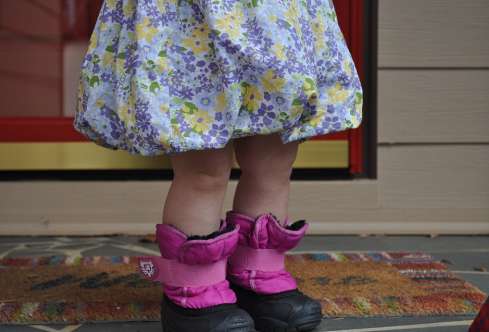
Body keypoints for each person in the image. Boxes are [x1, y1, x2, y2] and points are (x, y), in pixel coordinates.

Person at [74, 0, 363, 331]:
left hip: (271, 17)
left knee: (273, 159)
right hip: (190, 22)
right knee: (203, 167)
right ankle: (192, 290)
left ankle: (257, 275)